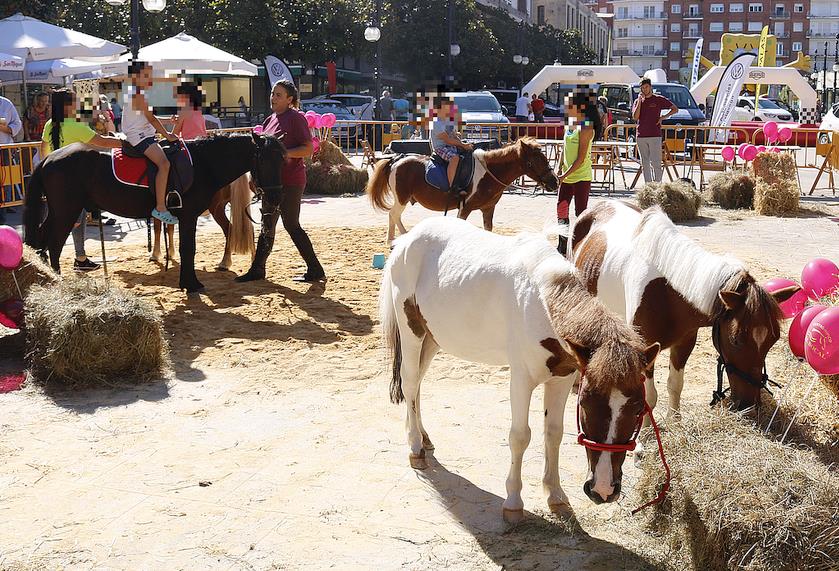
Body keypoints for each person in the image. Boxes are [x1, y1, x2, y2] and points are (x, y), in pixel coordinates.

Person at [236, 79, 325, 283]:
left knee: (291, 224)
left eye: (278, 95)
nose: (273, 98)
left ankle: (315, 269)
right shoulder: (270, 120)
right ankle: (258, 269)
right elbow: (262, 154)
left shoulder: (296, 119)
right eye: (273, 94)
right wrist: (253, 177)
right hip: (271, 183)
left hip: (292, 180)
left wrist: (285, 153)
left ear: (289, 99)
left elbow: (308, 149)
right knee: (267, 224)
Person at [40, 89, 124, 271]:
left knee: (64, 218)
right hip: (74, 180)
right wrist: (125, 143)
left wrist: (47, 175)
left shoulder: (49, 124)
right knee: (71, 221)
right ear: (68, 106)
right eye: (76, 102)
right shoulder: (76, 125)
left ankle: (79, 256)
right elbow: (102, 142)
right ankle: (46, 252)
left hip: (55, 177)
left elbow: (43, 151)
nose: (78, 105)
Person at [123, 60, 179, 225]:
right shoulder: (138, 94)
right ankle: (160, 207)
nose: (150, 78)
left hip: (141, 134)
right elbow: (151, 119)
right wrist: (168, 135)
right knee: (164, 164)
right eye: (146, 75)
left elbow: (148, 119)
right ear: (136, 76)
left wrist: (168, 120)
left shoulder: (136, 92)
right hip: (139, 136)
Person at [556, 90, 602, 256]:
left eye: (570, 104)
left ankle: (581, 247)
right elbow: (564, 149)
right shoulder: (570, 123)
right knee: (561, 209)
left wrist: (563, 176)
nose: (567, 107)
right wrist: (558, 168)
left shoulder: (587, 128)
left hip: (581, 177)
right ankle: (562, 247)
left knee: (580, 213)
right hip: (567, 176)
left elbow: (580, 159)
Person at [633, 78, 678, 183]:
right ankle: (648, 185)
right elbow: (635, 117)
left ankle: (657, 184)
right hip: (641, 135)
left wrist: (664, 117)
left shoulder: (658, 99)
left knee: (656, 162)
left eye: (646, 87)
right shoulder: (638, 101)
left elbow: (675, 109)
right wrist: (639, 101)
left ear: (650, 87)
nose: (645, 89)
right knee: (645, 163)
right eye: (643, 88)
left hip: (655, 135)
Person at [430, 97, 473, 197]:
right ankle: (452, 187)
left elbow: (453, 136)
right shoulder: (436, 122)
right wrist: (463, 145)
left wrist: (463, 144)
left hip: (450, 145)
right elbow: (447, 140)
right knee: (455, 158)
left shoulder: (448, 120)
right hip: (440, 147)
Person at [0, 94, 23, 223]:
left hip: (4, 148)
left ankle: (6, 205)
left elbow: (17, 123)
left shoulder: (6, 103)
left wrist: (6, 128)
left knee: (5, 179)